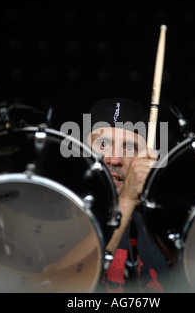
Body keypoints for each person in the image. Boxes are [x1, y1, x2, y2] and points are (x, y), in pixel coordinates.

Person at [82, 97, 171, 293]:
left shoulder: (164, 226)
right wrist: (127, 200)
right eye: (103, 144)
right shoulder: (54, 214)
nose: (114, 159)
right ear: (81, 150)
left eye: (129, 148)